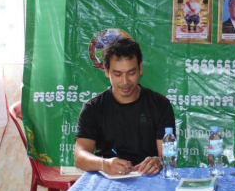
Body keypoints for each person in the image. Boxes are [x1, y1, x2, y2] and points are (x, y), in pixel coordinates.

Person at [74, 38, 175, 175]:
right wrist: (104, 164)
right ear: (107, 72)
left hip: (148, 178)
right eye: (117, 74)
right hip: (108, 179)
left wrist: (159, 161)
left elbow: (167, 156)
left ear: (140, 68)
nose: (125, 81)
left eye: (131, 73)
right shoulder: (93, 108)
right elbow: (80, 157)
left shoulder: (160, 104)